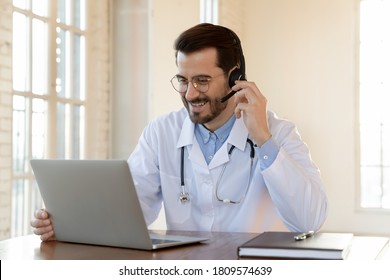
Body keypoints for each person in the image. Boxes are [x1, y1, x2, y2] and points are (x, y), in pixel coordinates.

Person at [31, 23, 328, 241]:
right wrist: (69, 225)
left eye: (202, 80)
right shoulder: (161, 133)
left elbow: (309, 219)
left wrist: (263, 140)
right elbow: (130, 212)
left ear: (235, 77)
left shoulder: (278, 133)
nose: (190, 93)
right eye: (183, 80)